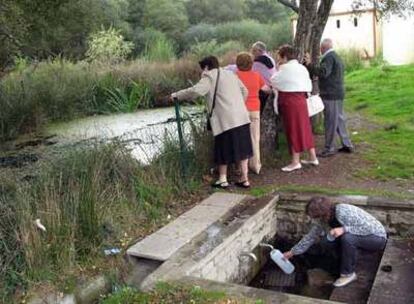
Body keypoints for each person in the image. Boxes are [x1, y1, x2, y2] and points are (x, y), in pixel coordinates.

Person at [171, 56, 253, 189]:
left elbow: (196, 91)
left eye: (202, 69)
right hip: (242, 116)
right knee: (244, 149)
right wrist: (237, 105)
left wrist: (176, 95)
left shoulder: (209, 77)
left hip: (225, 119)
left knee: (222, 148)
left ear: (206, 67)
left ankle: (222, 179)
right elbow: (245, 91)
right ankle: (245, 179)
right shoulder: (230, 74)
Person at [283, 196, 387, 288]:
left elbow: (369, 228)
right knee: (327, 241)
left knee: (347, 238)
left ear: (323, 213)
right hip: (359, 238)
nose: (314, 219)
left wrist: (344, 229)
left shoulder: (343, 211)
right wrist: (292, 252)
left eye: (316, 216)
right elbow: (310, 237)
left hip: (377, 238)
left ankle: (348, 274)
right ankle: (340, 266)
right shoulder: (322, 221)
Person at [271, 45, 318, 172]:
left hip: (290, 102)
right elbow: (308, 84)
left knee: (293, 130)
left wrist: (277, 67)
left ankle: (295, 161)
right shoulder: (302, 68)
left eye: (279, 57)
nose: (278, 59)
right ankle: (313, 157)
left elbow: (273, 81)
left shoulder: (284, 69)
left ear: (284, 57)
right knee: (305, 128)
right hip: (301, 101)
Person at [304, 38, 354, 157]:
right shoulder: (336, 56)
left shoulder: (329, 57)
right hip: (338, 93)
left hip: (330, 95)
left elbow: (323, 72)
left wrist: (309, 64)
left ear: (323, 48)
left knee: (330, 121)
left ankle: (329, 148)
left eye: (321, 48)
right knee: (339, 120)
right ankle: (347, 144)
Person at [235, 52, 269, 175]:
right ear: (251, 63)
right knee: (254, 138)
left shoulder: (235, 76)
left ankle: (240, 168)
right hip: (254, 109)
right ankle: (255, 165)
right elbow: (266, 89)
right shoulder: (256, 75)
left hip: (239, 110)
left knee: (239, 139)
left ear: (238, 64)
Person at [251, 41, 277, 114]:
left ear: (260, 51)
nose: (252, 53)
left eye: (253, 51)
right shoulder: (270, 59)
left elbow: (251, 73)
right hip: (272, 87)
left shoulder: (258, 62)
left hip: (263, 91)